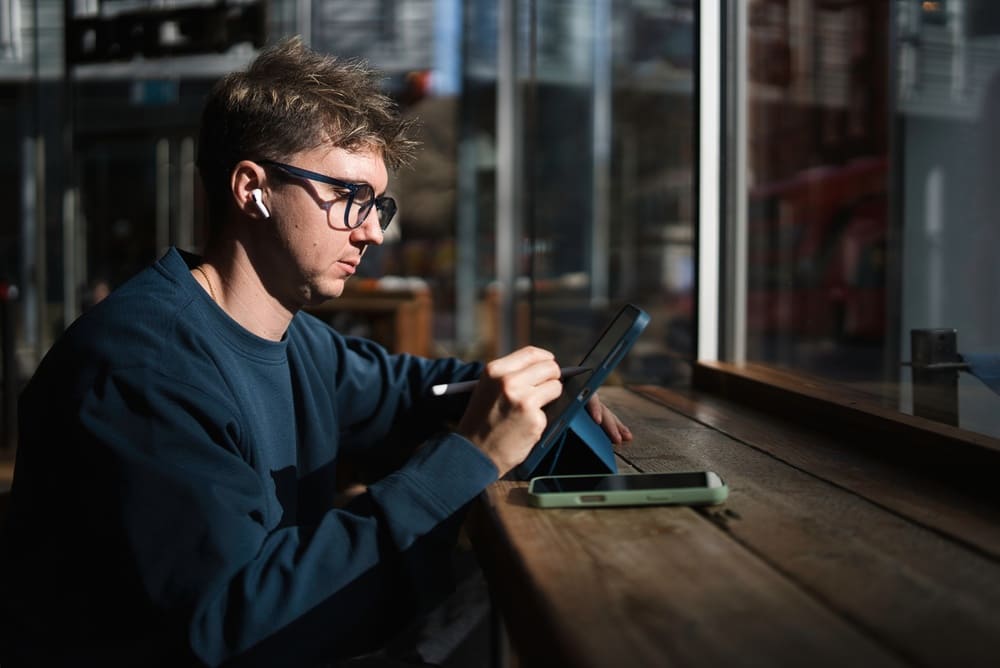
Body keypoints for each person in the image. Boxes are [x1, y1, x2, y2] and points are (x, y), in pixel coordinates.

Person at [0, 37, 631, 666]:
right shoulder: (145, 369)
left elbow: (405, 390)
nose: (372, 231)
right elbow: (232, 626)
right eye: (351, 197)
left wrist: (534, 390)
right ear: (253, 189)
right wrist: (472, 457)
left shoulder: (291, 336)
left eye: (378, 204)